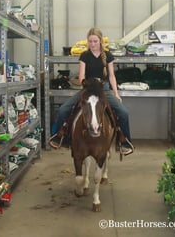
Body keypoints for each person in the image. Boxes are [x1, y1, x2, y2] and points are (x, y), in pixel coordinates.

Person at [49, 27, 134, 155]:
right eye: (90, 41)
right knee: (63, 110)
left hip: (103, 90)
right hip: (88, 88)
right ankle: (62, 137)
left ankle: (124, 141)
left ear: (100, 41)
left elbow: (111, 76)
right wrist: (85, 83)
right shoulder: (84, 55)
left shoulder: (108, 56)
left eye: (95, 41)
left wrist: (116, 93)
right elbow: (81, 76)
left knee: (123, 112)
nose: (92, 44)